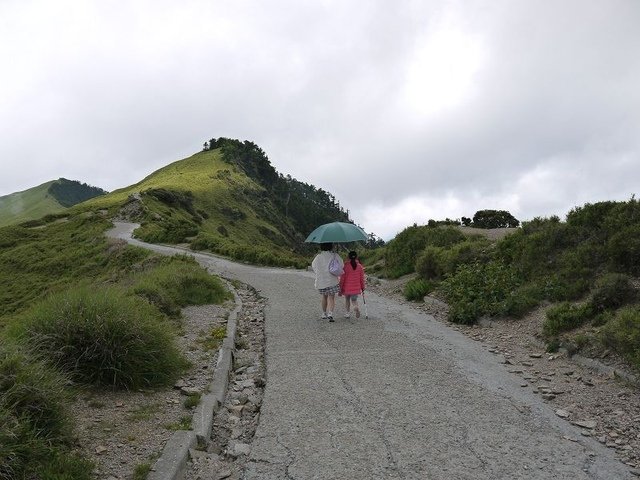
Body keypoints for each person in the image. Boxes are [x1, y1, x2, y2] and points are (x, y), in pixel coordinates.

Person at [311, 242, 342, 322]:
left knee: (324, 297)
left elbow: (314, 266)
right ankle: (330, 314)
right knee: (331, 297)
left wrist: (320, 273)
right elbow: (341, 265)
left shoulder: (318, 257)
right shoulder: (335, 255)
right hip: (332, 280)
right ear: (331, 246)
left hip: (322, 281)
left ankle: (324, 313)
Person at [339, 250, 365, 318]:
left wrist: (340, 287)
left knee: (347, 300)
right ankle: (356, 307)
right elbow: (362, 278)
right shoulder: (360, 266)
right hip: (356, 288)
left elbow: (342, 278)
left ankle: (347, 313)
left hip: (347, 287)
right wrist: (363, 287)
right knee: (354, 300)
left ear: (348, 257)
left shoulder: (345, 266)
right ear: (356, 257)